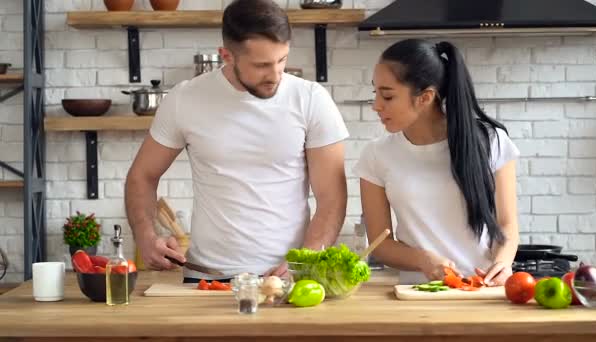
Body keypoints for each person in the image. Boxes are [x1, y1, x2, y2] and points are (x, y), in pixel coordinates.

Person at [125, 0, 348, 282]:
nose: (276, 75)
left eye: (282, 60)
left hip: (287, 279)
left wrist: (307, 259)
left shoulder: (311, 99)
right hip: (207, 278)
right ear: (227, 56)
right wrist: (146, 236)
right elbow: (142, 176)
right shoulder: (185, 99)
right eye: (262, 65)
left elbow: (332, 198)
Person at [354, 39, 519, 286]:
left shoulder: (491, 141)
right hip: (417, 294)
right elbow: (380, 244)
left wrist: (503, 264)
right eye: (375, 93)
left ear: (425, 97)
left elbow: (507, 224)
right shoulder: (376, 155)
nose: (376, 105)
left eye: (387, 96)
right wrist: (422, 259)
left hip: (482, 289)